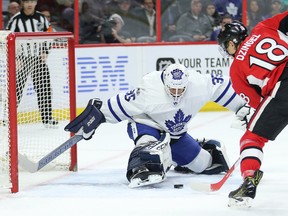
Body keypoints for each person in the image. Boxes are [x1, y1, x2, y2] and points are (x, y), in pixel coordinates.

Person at [64, 63, 248, 188]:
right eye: (172, 89)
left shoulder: (199, 84)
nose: (176, 93)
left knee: (206, 164)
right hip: (146, 124)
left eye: (180, 89)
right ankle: (142, 164)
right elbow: (121, 103)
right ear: (165, 83)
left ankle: (200, 148)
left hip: (176, 134)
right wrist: (95, 117)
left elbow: (224, 87)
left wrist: (243, 106)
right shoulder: (150, 89)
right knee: (148, 146)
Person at [217, 11, 288, 208]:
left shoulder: (236, 70)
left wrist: (255, 120)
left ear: (231, 43)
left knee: (251, 138)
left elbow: (259, 104)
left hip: (283, 86)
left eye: (225, 46)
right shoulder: (263, 27)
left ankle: (249, 181)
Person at [6, 0, 58, 126]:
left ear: (36, 3)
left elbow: (50, 33)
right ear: (22, 3)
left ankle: (47, 118)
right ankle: (9, 119)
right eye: (27, 1)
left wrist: (45, 50)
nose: (30, 4)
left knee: (44, 89)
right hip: (22, 60)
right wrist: (15, 58)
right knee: (15, 91)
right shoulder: (15, 20)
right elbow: (7, 39)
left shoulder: (41, 18)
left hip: (38, 59)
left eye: (32, 1)